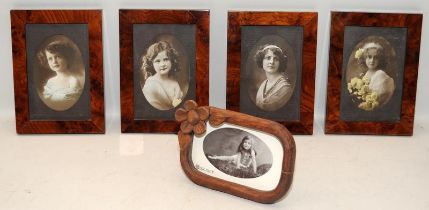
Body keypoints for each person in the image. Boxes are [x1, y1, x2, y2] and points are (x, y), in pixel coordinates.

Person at [38, 39, 83, 111]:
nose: (54, 61)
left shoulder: (72, 81)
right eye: (50, 58)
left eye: (58, 56)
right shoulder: (50, 82)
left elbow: (72, 105)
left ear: (67, 58)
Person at [141, 41, 183, 110]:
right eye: (157, 61)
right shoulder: (150, 83)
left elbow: (176, 106)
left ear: (172, 61)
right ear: (151, 64)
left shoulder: (174, 84)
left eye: (166, 59)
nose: (162, 64)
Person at [355, 42, 395, 109]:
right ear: (364, 59)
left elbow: (378, 100)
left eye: (375, 57)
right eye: (369, 57)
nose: (372, 60)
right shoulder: (366, 74)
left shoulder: (380, 75)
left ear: (380, 60)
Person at [254, 44, 292, 111]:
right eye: (268, 58)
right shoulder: (263, 85)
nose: (271, 62)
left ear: (280, 63)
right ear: (261, 61)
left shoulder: (285, 88)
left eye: (276, 59)